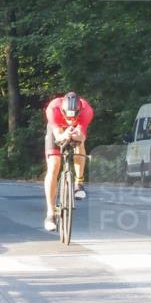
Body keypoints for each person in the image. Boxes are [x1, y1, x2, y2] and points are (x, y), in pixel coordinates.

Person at [43, 91, 94, 231]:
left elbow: (82, 136)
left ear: (79, 111)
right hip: (57, 130)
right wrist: (63, 135)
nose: (71, 120)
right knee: (53, 166)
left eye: (74, 117)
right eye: (68, 117)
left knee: (79, 143)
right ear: (63, 111)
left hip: (76, 131)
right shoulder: (53, 109)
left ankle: (79, 182)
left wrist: (77, 135)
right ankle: (50, 214)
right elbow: (58, 137)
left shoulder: (86, 110)